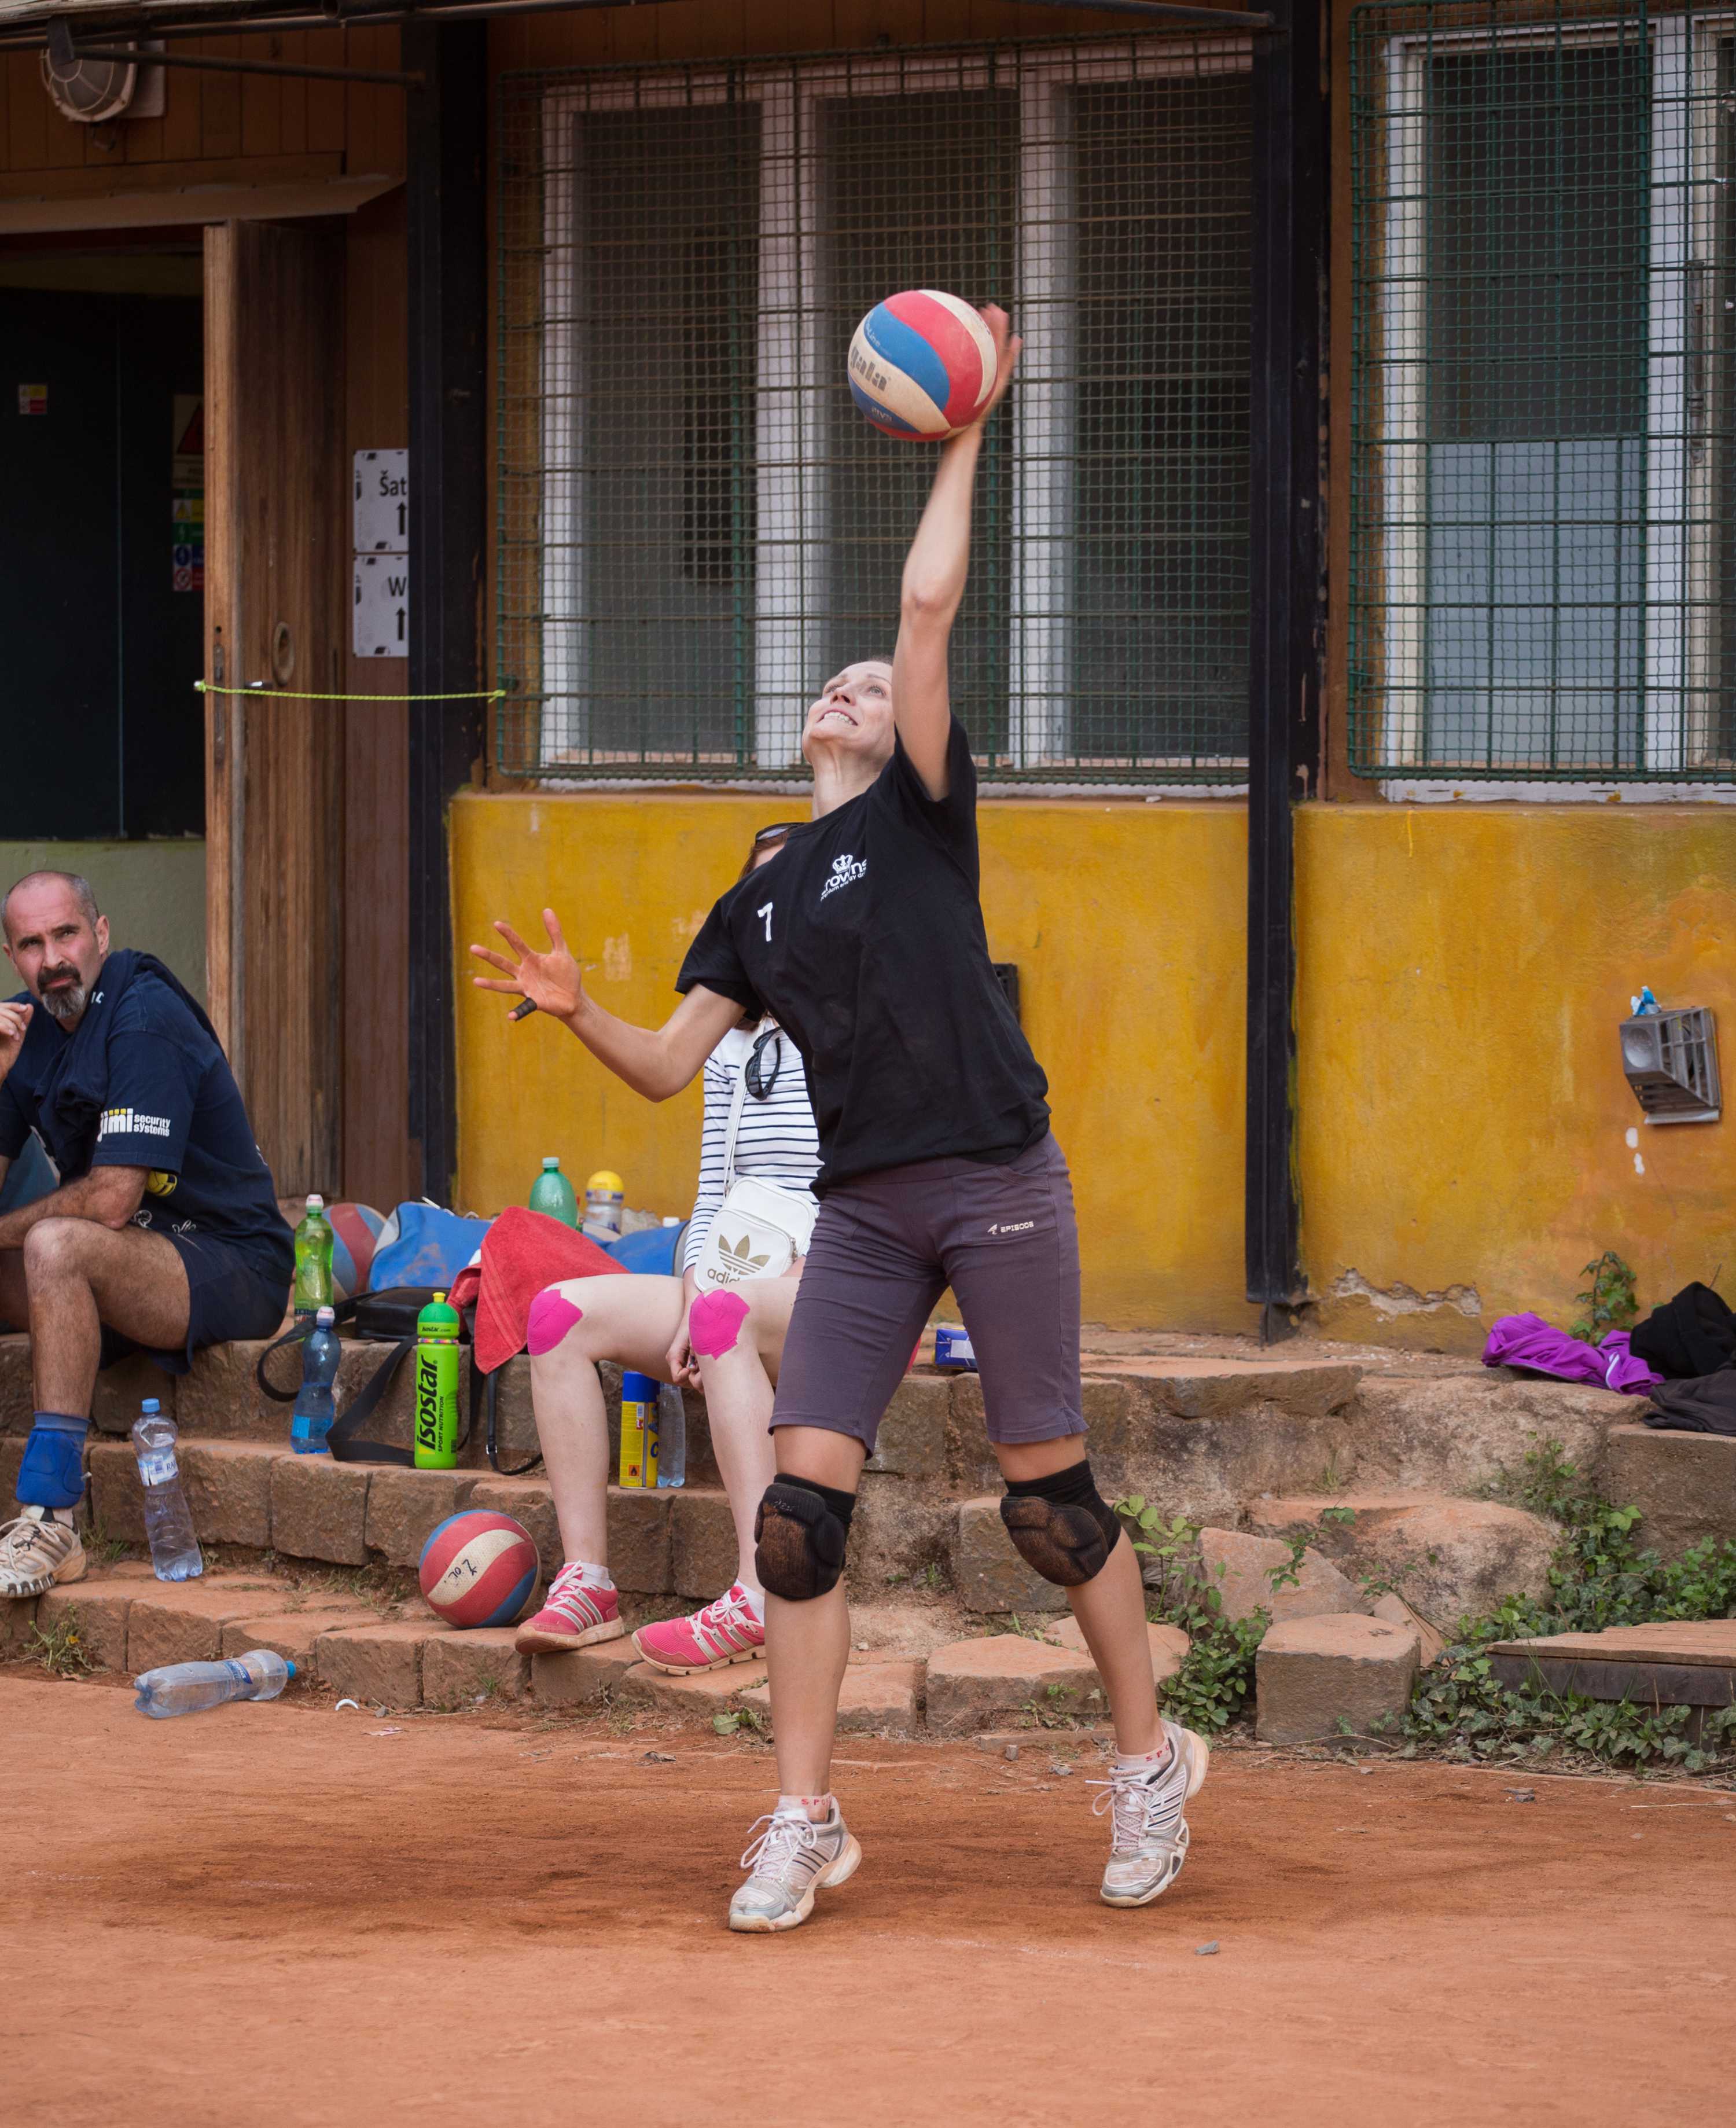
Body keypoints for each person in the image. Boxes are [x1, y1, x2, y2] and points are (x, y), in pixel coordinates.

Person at [473, 304, 1202, 1935]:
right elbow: (667, 1066)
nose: (857, 686)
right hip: (864, 1207)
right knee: (797, 1521)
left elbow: (927, 603)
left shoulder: (923, 816)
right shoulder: (760, 893)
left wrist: (965, 432)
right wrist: (578, 1006)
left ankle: (1149, 1761)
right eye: (843, 682)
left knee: (1048, 1504)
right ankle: (803, 1815)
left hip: (994, 1176)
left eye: (876, 686)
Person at [509, 826, 822, 1676]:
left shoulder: (866, 1020)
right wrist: (693, 1292)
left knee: (724, 1318)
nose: (775, 912)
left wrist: (759, 1290)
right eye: (759, 896)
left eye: (795, 889)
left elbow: (877, 1186)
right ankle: (588, 1582)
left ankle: (761, 1594)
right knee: (558, 1313)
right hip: (733, 1288)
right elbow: (713, 1192)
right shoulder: (728, 1040)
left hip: (836, 1287)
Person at [0, 871, 293, 1598]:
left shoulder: (144, 1012)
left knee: (55, 1244)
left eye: (66, 933)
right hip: (127, 1265)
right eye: (31, 944)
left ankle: (51, 1517)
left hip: (229, 1260)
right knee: (52, 1243)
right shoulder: (20, 1030)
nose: (52, 959)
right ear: (13, 957)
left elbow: (109, 1201)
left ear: (100, 934)